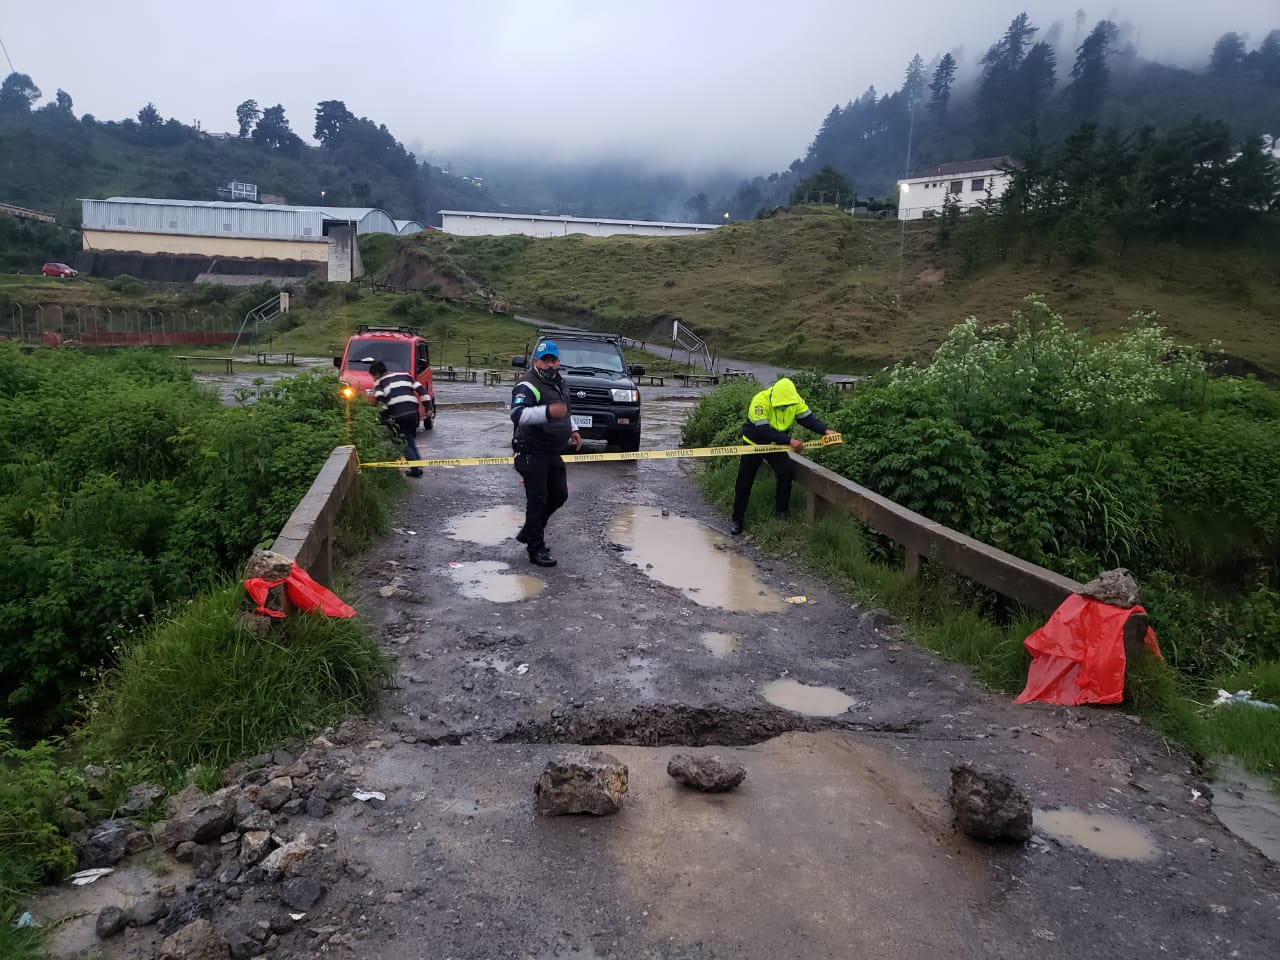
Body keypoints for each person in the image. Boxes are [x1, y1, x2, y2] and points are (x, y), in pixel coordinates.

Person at [730, 377, 836, 536]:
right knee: (745, 479)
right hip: (754, 443)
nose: (785, 407)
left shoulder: (794, 400)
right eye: (782, 405)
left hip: (776, 444)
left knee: (786, 471)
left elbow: (807, 419)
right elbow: (763, 430)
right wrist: (790, 441)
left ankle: (781, 513)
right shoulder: (760, 401)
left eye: (787, 405)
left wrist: (825, 431)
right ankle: (737, 519)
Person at [510, 340, 582, 567]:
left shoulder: (559, 382)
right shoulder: (527, 385)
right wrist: (549, 412)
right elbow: (518, 415)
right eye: (545, 360)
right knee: (538, 500)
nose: (550, 365)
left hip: (552, 450)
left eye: (554, 360)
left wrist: (573, 429)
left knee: (559, 495)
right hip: (531, 451)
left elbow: (565, 409)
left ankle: (530, 530)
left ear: (558, 362)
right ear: (536, 362)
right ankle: (536, 549)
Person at [369, 360, 426, 478]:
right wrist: (428, 407)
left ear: (378, 374)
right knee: (408, 436)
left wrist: (383, 420)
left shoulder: (379, 383)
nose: (373, 379)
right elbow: (421, 390)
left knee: (399, 441)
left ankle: (415, 467)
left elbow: (381, 402)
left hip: (397, 415)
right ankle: (417, 463)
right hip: (413, 413)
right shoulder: (405, 376)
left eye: (373, 376)